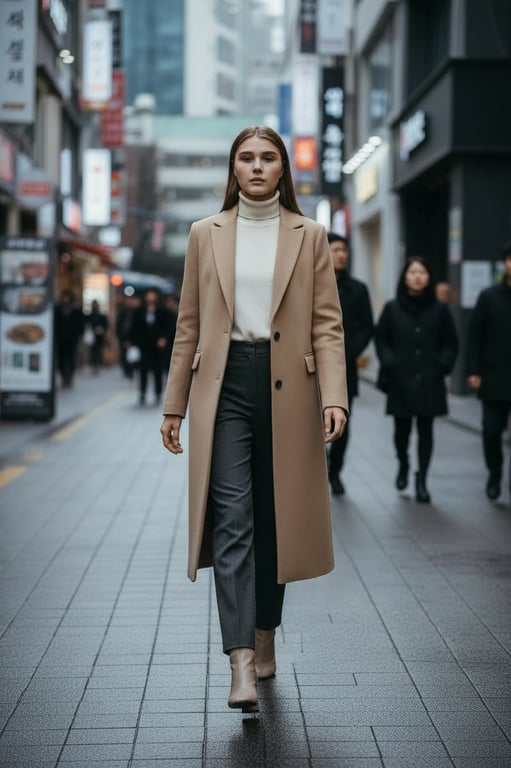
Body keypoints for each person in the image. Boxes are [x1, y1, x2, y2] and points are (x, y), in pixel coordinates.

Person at [160, 126, 348, 713]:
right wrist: (173, 404)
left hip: (290, 387)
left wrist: (335, 396)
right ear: (233, 169)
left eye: (268, 158)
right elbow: (188, 324)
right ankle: (240, 660)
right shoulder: (204, 234)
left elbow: (327, 324)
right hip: (224, 388)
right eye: (247, 158)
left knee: (275, 520)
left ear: (283, 168)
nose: (258, 167)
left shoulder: (310, 235)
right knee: (233, 519)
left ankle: (266, 633)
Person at [375, 257, 459, 503]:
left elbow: (451, 343)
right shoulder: (392, 308)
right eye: (413, 272)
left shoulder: (440, 309)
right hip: (400, 379)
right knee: (401, 431)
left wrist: (444, 365)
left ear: (429, 277)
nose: (418, 276)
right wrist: (390, 361)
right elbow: (381, 339)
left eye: (422, 272)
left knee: (426, 430)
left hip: (430, 379)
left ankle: (422, 479)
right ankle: (403, 463)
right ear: (405, 277)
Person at [326, 232, 374, 495]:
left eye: (344, 250)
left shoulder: (358, 290)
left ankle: (335, 472)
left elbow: (368, 326)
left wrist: (353, 348)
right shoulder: (311, 284)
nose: (341, 255)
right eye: (335, 250)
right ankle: (318, 466)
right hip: (312, 367)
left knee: (342, 421)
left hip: (345, 366)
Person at [467, 241, 511, 502]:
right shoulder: (489, 296)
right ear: (505, 264)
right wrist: (473, 370)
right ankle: (495, 473)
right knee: (491, 431)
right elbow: (475, 335)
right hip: (494, 376)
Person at [128, 288, 173, 405]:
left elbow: (168, 327)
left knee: (158, 370)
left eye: (153, 295)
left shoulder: (162, 311)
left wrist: (164, 339)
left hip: (158, 347)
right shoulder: (139, 311)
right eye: (149, 295)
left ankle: (158, 393)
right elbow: (135, 328)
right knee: (143, 371)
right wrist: (132, 341)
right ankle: (142, 393)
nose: (150, 298)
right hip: (144, 346)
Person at [53, 289, 84, 388]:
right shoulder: (57, 309)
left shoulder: (76, 309)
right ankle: (63, 376)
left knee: (71, 358)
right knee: (61, 359)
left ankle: (69, 377)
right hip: (60, 338)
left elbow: (81, 324)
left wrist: (79, 334)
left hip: (72, 338)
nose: (65, 299)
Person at [84, 299, 109, 373]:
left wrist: (102, 330)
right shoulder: (89, 315)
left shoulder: (101, 315)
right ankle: (93, 364)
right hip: (92, 336)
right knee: (93, 351)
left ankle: (98, 364)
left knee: (99, 350)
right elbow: (86, 324)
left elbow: (106, 325)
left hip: (99, 336)